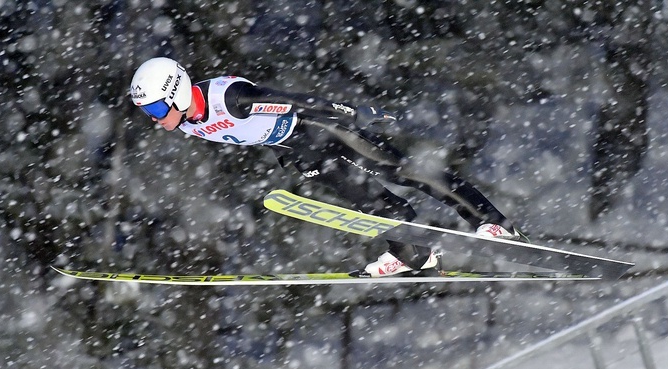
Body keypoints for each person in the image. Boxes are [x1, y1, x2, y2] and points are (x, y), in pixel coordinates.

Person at [129, 57, 523, 277]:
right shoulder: (184, 120)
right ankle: (416, 255)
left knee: (405, 172)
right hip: (298, 149)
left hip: (323, 132)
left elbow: (295, 102)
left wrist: (354, 114)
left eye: (157, 108)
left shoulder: (232, 98)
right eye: (147, 111)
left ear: (177, 93)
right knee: (369, 205)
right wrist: (287, 154)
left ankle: (492, 222)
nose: (154, 117)